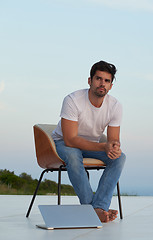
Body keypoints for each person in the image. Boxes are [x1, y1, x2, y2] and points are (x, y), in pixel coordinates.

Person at [51, 60, 126, 222]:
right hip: (63, 142)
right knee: (72, 155)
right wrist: (103, 146)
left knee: (120, 157)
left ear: (111, 86)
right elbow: (71, 140)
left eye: (107, 81)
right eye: (98, 79)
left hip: (91, 145)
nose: (102, 84)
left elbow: (113, 140)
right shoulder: (73, 100)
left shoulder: (115, 106)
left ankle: (99, 207)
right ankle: (90, 210)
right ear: (89, 80)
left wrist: (114, 147)